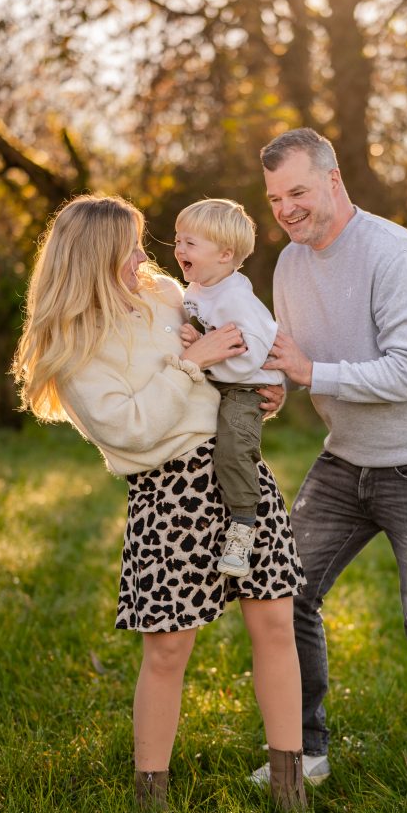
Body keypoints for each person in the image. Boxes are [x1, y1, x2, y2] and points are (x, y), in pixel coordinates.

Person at [11, 193, 307, 813]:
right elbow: (132, 428)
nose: (145, 256)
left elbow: (228, 357)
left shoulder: (167, 296)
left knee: (276, 624)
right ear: (95, 257)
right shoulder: (76, 344)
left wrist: (256, 393)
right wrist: (189, 361)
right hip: (169, 492)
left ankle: (290, 786)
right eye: (130, 247)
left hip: (236, 471)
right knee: (168, 647)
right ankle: (151, 799)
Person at [253, 127, 407, 813]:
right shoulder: (289, 265)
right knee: (284, 590)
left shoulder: (394, 254)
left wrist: (311, 374)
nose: (286, 209)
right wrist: (279, 388)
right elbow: (302, 358)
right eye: (274, 198)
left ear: (333, 179)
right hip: (346, 456)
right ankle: (310, 752)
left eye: (297, 191)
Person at [174, 198, 284, 579]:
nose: (179, 250)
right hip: (225, 377)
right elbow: (214, 338)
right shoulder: (199, 287)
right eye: (178, 240)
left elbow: (249, 355)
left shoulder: (235, 298)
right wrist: (199, 339)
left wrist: (205, 352)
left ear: (224, 255)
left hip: (249, 384)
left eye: (190, 243)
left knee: (233, 450)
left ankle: (243, 526)